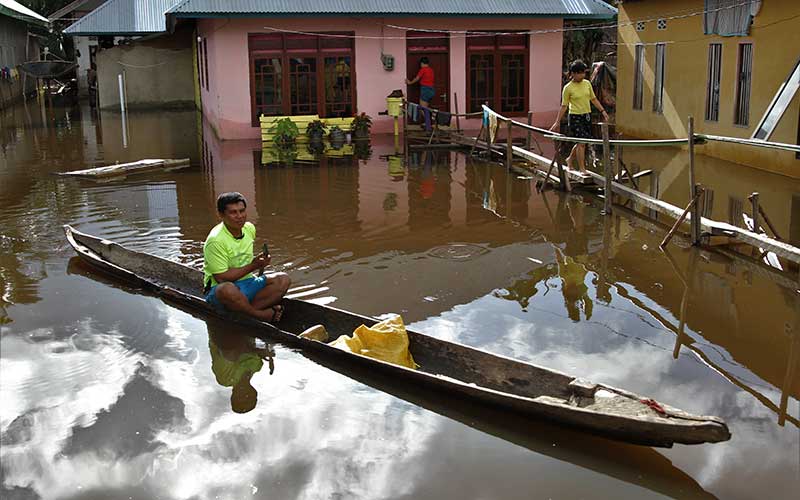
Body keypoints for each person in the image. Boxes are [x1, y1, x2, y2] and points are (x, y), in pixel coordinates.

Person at [203, 192, 290, 323]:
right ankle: (261, 315)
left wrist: (260, 262)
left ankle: (243, 310)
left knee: (283, 280)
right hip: (221, 290)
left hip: (247, 283)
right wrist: (253, 266)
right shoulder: (215, 240)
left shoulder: (249, 228)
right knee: (227, 289)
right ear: (221, 215)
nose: (239, 216)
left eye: (242, 211)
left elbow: (242, 258)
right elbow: (221, 278)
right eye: (233, 212)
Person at [550, 60, 609, 173]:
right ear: (573, 73)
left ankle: (569, 159)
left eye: (584, 73)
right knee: (581, 142)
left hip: (586, 116)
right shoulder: (568, 88)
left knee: (582, 142)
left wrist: (603, 111)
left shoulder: (587, 84)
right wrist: (557, 121)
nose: (582, 75)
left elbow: (593, 99)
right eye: (580, 73)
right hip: (575, 117)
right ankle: (582, 169)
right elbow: (564, 106)